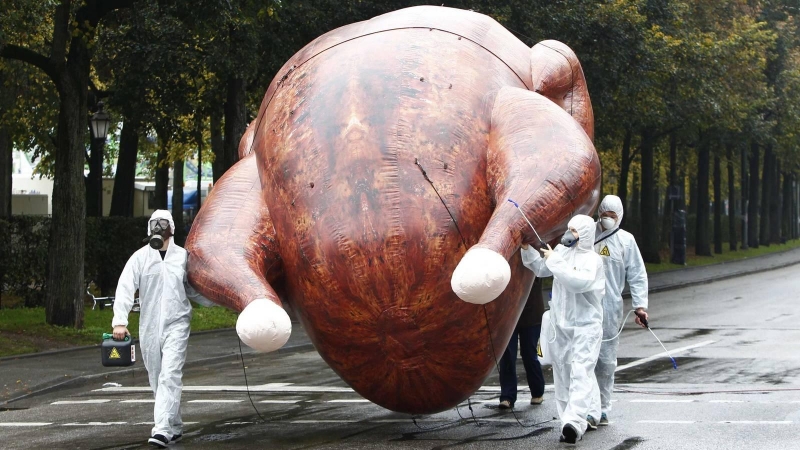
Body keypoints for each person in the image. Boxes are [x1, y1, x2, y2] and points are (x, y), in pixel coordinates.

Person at [112, 209, 212, 448]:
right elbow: (125, 287)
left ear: (172, 228)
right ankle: (174, 426)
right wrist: (119, 321)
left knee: (170, 374)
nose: (159, 228)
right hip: (149, 325)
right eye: (155, 223)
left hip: (177, 322)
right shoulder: (140, 258)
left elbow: (194, 288)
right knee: (157, 377)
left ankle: (162, 429)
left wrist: (226, 300)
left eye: (163, 223)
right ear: (149, 228)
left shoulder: (183, 257)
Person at [521, 214, 605, 444]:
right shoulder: (562, 251)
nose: (569, 233)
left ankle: (575, 423)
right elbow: (541, 268)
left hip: (586, 327)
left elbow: (577, 282)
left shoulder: (593, 261)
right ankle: (569, 418)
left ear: (586, 234)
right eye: (569, 228)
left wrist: (554, 261)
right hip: (561, 326)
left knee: (580, 372)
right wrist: (528, 249)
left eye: (575, 230)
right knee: (562, 373)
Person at [593, 195, 649, 426]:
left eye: (611, 215)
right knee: (584, 358)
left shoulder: (626, 241)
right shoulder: (586, 234)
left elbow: (636, 274)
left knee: (605, 361)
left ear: (620, 217)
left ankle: (603, 407)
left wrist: (640, 306)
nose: (607, 219)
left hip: (610, 307)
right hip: (585, 304)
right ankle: (586, 406)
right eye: (604, 214)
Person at [498, 278, 546, 409]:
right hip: (508, 314)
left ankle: (537, 392)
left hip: (531, 314)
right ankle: (507, 396)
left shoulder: (532, 258)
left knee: (529, 354)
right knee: (507, 355)